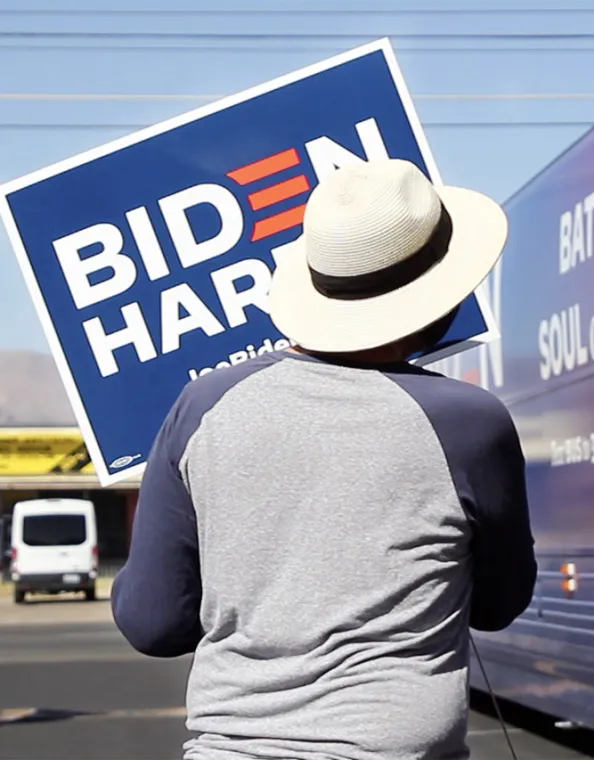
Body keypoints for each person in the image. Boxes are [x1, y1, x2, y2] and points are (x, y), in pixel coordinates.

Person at [110, 158, 538, 760]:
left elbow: (152, 624)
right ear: (441, 293)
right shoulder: (470, 423)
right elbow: (499, 605)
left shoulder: (201, 407)